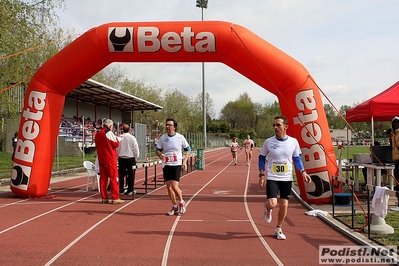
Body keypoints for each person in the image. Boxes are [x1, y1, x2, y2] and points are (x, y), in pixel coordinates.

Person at [258, 115, 312, 240]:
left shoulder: (293, 142)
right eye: (274, 125)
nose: (275, 127)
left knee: (284, 205)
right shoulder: (269, 142)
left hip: (286, 178)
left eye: (278, 125)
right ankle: (267, 208)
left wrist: (303, 171)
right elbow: (261, 157)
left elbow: (297, 159)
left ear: (285, 127)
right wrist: (261, 174)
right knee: (273, 203)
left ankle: (278, 228)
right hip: (272, 176)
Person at [155, 118, 191, 215]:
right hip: (166, 164)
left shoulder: (180, 137)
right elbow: (157, 149)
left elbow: (188, 149)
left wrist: (184, 162)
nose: (167, 127)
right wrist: (159, 154)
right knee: (168, 187)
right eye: (166, 125)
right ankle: (175, 206)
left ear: (174, 127)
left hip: (176, 164)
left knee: (175, 186)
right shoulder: (163, 138)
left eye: (169, 125)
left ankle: (182, 202)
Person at [95, 118, 124, 204]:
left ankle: (104, 197)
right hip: (110, 159)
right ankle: (115, 197)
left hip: (101, 158)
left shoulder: (98, 134)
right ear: (110, 126)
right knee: (114, 178)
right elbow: (116, 144)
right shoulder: (108, 133)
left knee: (103, 179)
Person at [117, 124, 139, 196]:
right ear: (129, 130)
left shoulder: (119, 137)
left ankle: (121, 190)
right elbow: (135, 148)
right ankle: (130, 190)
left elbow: (117, 148)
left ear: (122, 130)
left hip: (121, 158)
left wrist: (118, 157)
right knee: (131, 175)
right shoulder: (132, 138)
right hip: (130, 158)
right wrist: (136, 157)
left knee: (121, 175)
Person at [390, 116, 399, 211]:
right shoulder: (394, 135)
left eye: (397, 122)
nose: (395, 124)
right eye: (394, 123)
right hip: (397, 161)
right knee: (397, 181)